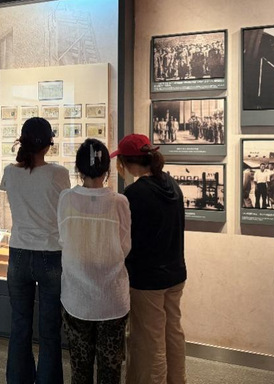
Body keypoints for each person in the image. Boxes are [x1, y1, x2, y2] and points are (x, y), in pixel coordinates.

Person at [0, 117, 71, 384]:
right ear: (48, 144)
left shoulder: (10, 172)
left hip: (18, 253)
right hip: (51, 253)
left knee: (20, 326)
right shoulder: (58, 174)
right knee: (50, 330)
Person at [112, 134, 187, 384]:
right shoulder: (171, 185)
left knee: (148, 342)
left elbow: (126, 238)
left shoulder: (134, 194)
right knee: (172, 333)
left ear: (125, 162)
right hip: (175, 273)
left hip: (147, 279)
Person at [58, 139, 131, 384]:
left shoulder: (66, 199)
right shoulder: (119, 202)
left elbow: (63, 239)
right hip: (112, 298)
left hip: (76, 297)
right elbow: (125, 246)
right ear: (107, 170)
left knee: (80, 368)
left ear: (78, 169)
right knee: (110, 369)